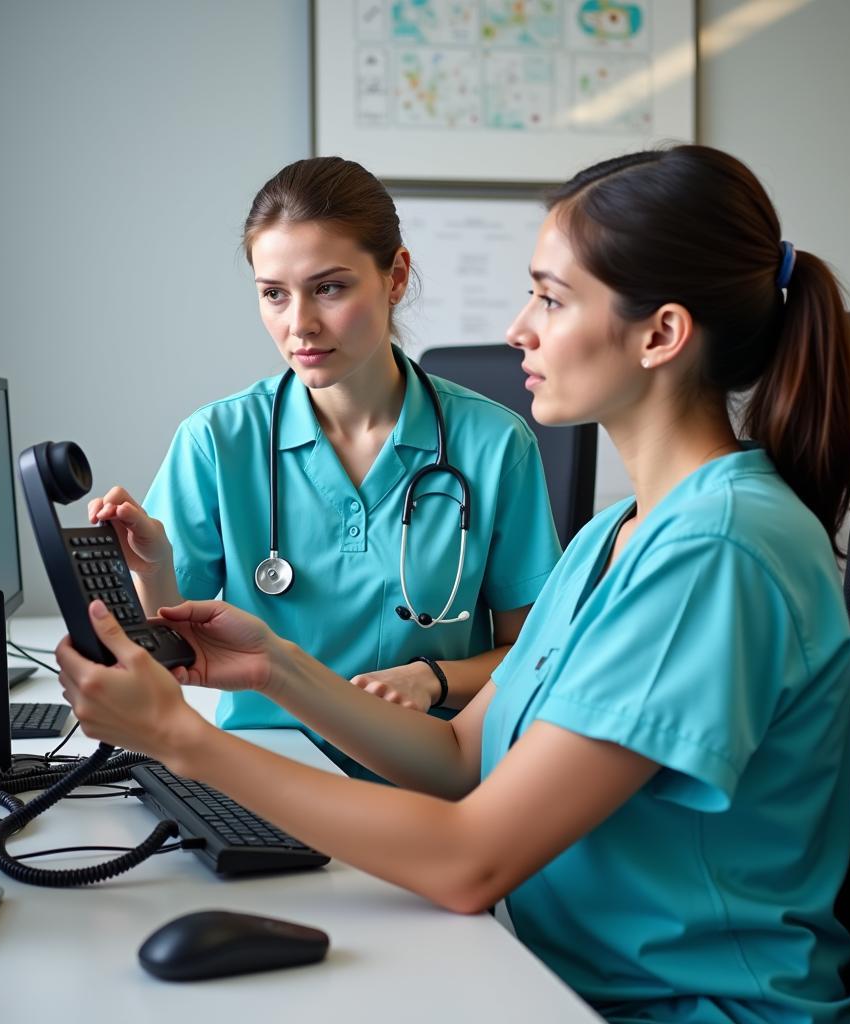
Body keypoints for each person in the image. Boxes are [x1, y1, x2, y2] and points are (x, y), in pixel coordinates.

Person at [57, 144, 850, 1023]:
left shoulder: (717, 553)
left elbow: (467, 860)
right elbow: (458, 759)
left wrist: (183, 739)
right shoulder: (617, 535)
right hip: (557, 979)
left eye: (551, 299)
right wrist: (274, 667)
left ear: (661, 334)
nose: (519, 328)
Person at [87, 156, 561, 777]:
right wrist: (152, 570)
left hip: (423, 772)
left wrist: (434, 679)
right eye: (274, 294)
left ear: (395, 276)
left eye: (329, 288)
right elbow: (169, 652)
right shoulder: (216, 441)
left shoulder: (495, 445)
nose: (299, 326)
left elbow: (535, 654)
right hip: (266, 768)